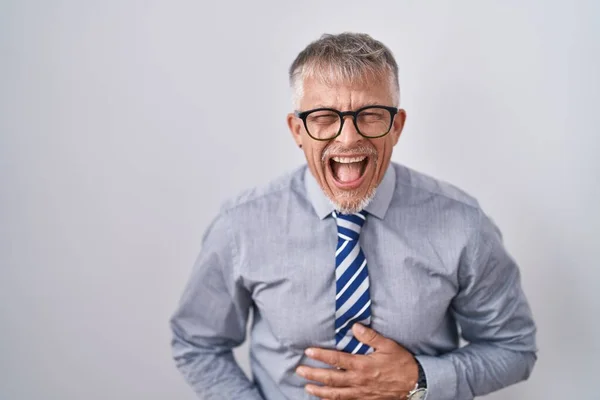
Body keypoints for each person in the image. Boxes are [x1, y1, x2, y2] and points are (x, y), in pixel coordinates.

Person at [170, 32, 537, 400]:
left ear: (396, 126)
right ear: (298, 130)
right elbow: (197, 343)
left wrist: (421, 378)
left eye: (371, 115)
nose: (348, 139)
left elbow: (514, 348)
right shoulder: (241, 226)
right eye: (325, 117)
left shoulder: (463, 224)